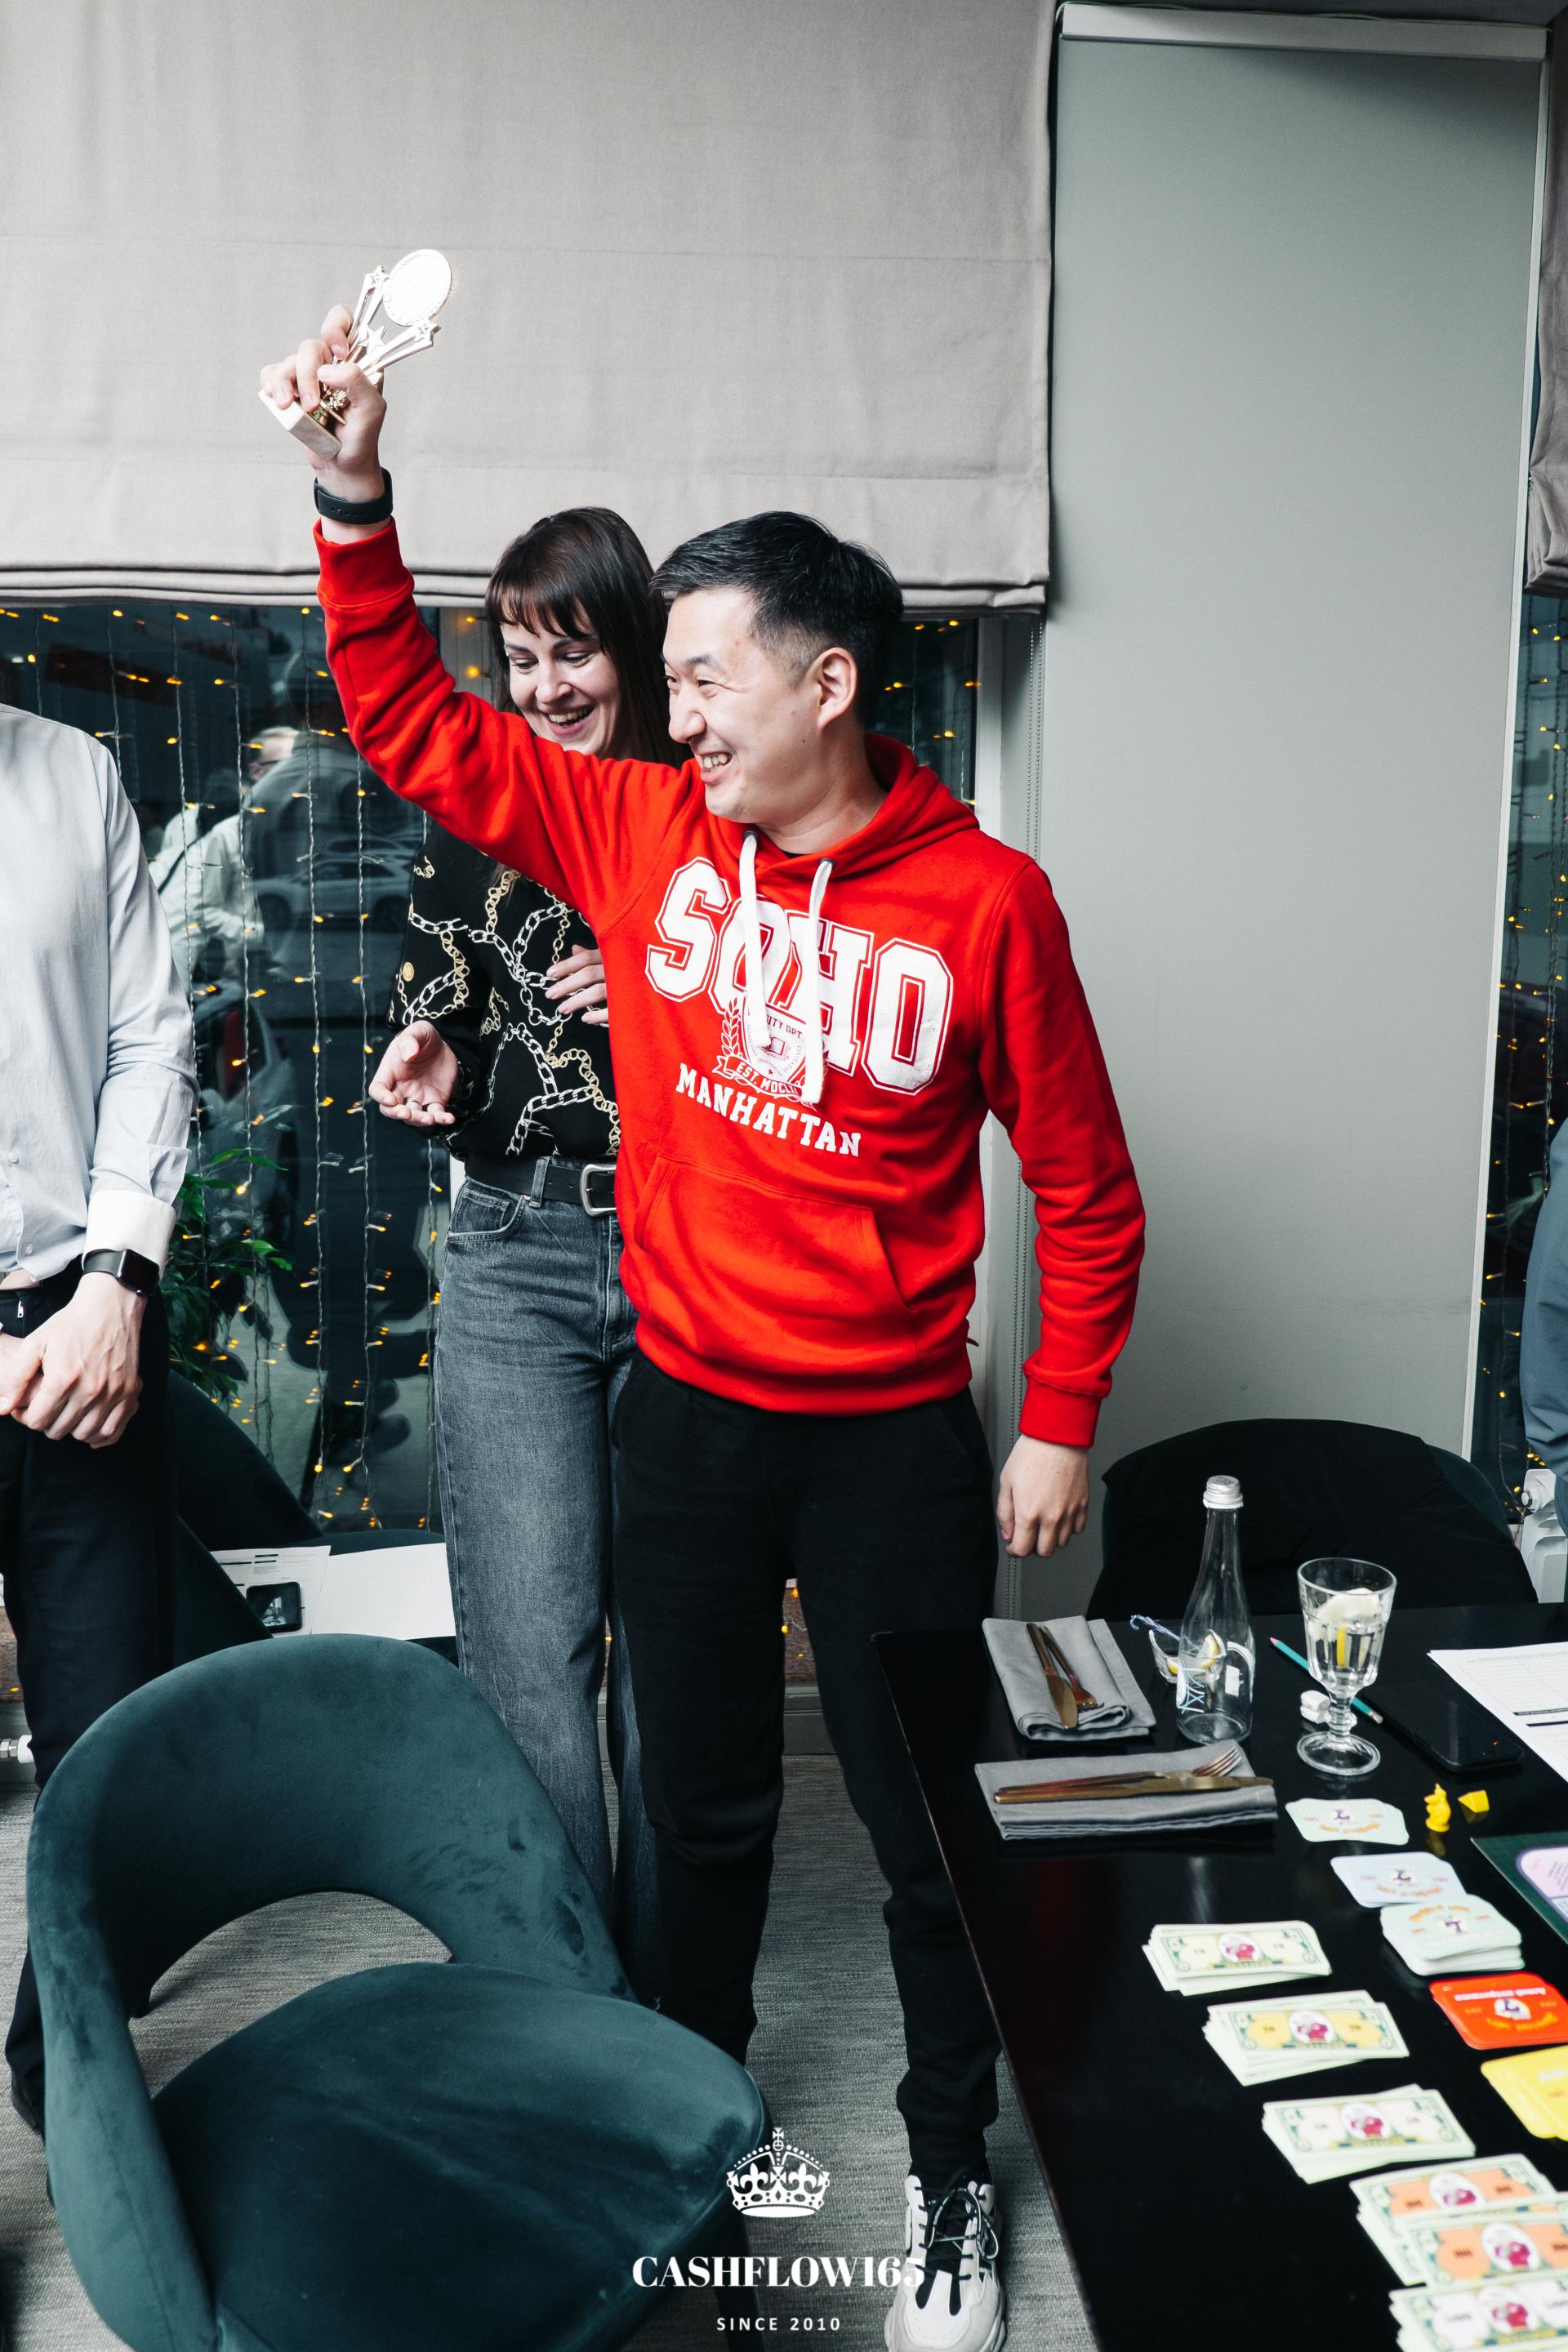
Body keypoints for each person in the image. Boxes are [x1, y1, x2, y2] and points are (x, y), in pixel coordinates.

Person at [262, 318, 1144, 2352]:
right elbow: (407, 720)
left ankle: (946, 2175)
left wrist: (1058, 1419)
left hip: (894, 1443)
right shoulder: (640, 830)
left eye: (703, 680)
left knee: (928, 1833)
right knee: (707, 1817)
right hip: (690, 1420)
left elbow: (1089, 1188)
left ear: (828, 684)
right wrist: (353, 493)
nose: (672, 717)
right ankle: (696, 2145)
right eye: (663, 685)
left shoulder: (989, 907)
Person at [368, 508, 680, 1998]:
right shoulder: (480, 799)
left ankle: (683, 2006)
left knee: (672, 1660)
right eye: (520, 658)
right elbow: (443, 989)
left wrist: (660, 977)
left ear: (639, 650)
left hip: (688, 1251)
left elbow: (788, 1027)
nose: (547, 687)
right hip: (514, 1245)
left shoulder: (715, 817)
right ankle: (575, 2008)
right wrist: (425, 1045)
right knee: (531, 1659)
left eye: (576, 652)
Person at [0, 704, 195, 2136]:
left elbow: (147, 1038)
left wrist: (118, 1283)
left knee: (108, 1750)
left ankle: (61, 2073)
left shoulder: (75, 772)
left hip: (82, 1326)